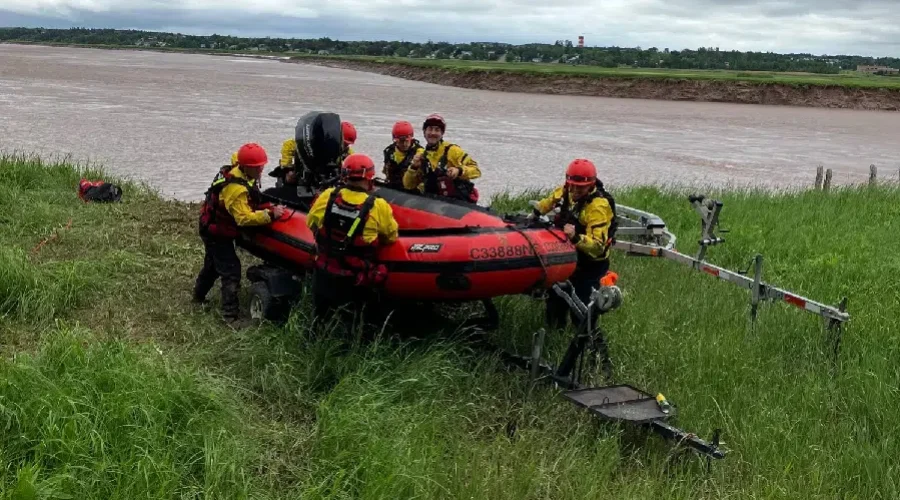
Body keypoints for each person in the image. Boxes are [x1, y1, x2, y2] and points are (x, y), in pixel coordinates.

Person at [532, 158, 617, 374]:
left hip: (590, 265)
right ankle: (555, 340)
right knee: (555, 301)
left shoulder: (598, 207)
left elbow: (598, 247)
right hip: (566, 258)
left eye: (581, 187)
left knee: (583, 313)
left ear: (591, 185)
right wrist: (535, 215)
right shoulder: (566, 190)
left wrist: (576, 237)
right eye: (573, 186)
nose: (576, 191)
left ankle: (599, 360)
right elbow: (549, 201)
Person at [194, 143, 285, 327]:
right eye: (258, 167)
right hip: (216, 233)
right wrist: (270, 214)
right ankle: (230, 316)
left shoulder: (238, 167)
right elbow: (243, 219)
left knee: (212, 266)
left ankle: (198, 297)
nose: (261, 169)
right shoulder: (236, 190)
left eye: (262, 165)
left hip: (211, 226)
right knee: (231, 271)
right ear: (247, 167)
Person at [307, 153, 399, 330]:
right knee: (353, 322)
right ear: (370, 178)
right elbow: (391, 236)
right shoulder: (378, 206)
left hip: (324, 272)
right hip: (354, 278)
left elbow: (311, 222)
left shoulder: (328, 196)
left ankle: (313, 344)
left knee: (318, 319)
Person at [402, 113, 481, 203]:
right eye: (430, 129)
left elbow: (476, 171)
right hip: (435, 205)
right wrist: (413, 167)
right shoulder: (423, 157)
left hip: (457, 204)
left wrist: (459, 170)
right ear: (424, 131)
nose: (433, 133)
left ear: (442, 133)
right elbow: (408, 185)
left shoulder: (453, 151)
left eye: (437, 130)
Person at [382, 120, 425, 189]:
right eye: (401, 141)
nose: (404, 144)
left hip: (411, 190)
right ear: (395, 139)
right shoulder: (389, 151)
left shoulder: (419, 152)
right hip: (393, 187)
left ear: (411, 137)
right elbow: (386, 172)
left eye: (407, 140)